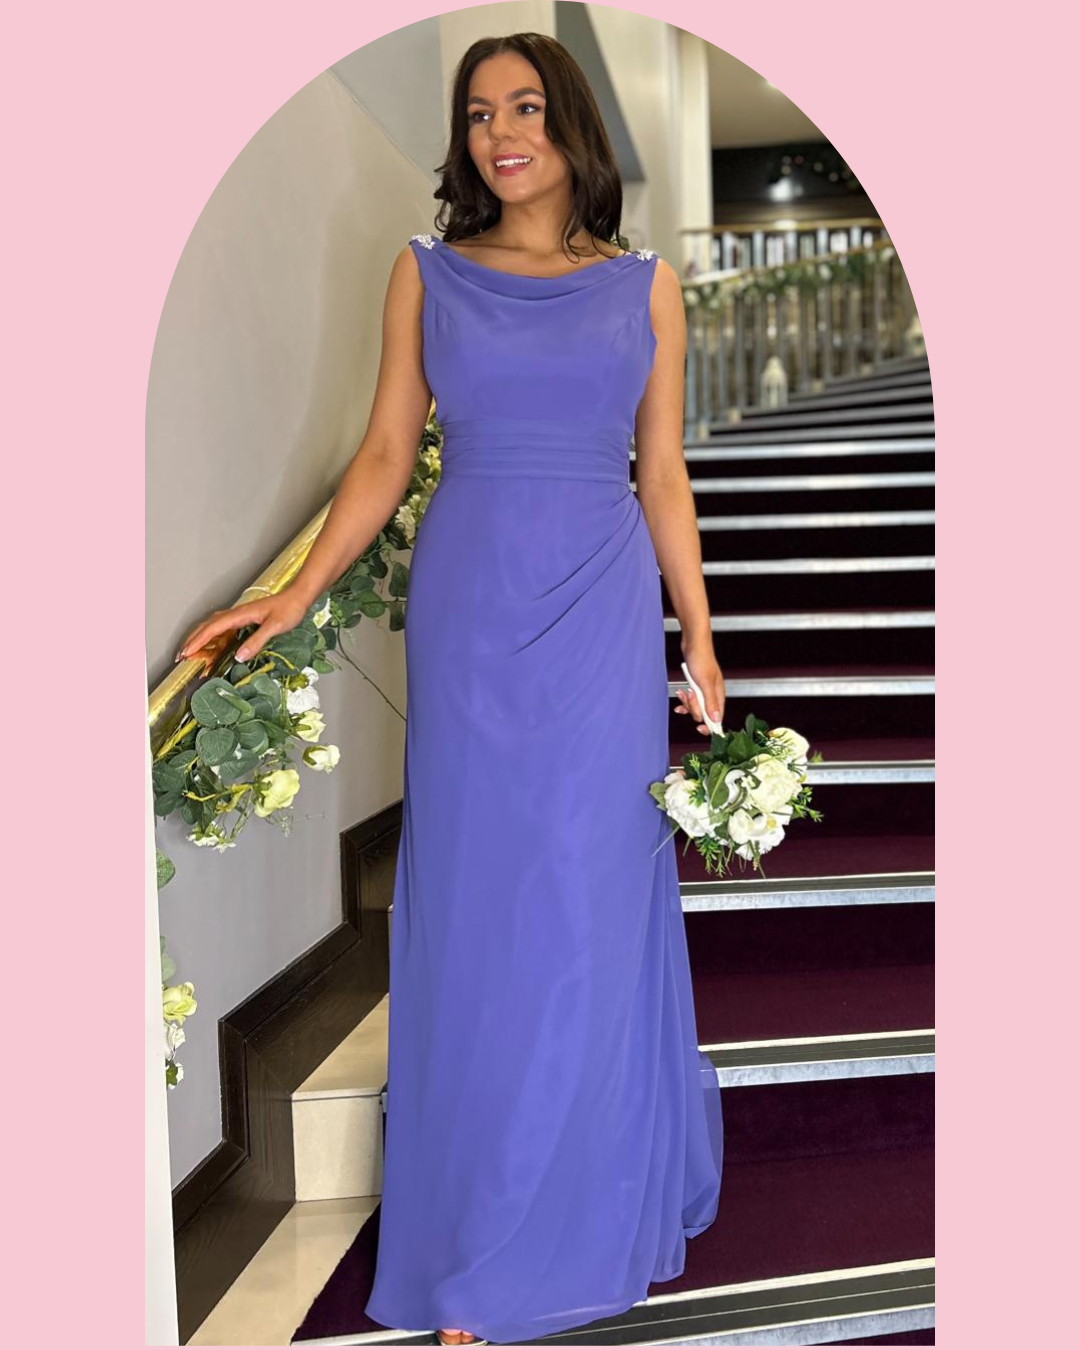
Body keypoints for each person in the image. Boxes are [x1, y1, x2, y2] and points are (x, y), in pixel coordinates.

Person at [177, 31, 726, 1348]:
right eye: (478, 113)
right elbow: (379, 452)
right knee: (481, 917)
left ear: (571, 124)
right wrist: (295, 594)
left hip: (599, 617)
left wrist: (698, 636)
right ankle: (480, 1241)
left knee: (588, 903)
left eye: (525, 106)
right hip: (474, 613)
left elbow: (662, 473)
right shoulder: (424, 275)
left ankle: (582, 1206)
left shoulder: (646, 288)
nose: (499, 132)